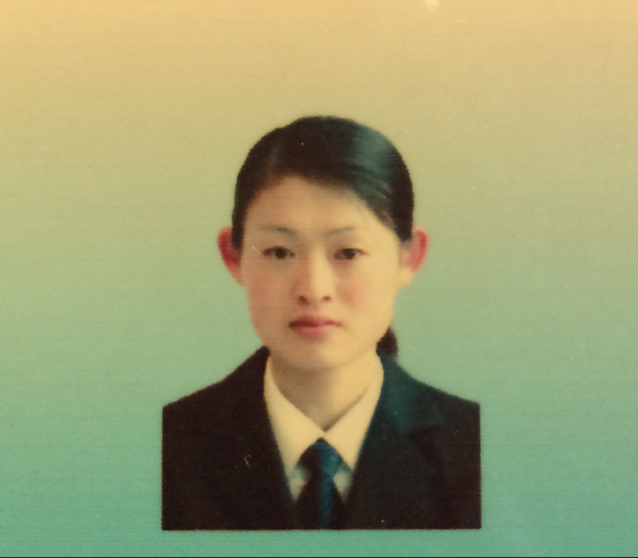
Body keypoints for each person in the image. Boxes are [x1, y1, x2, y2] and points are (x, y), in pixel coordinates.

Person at [162, 116, 481, 531]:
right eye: (279, 252)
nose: (313, 289)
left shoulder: (475, 449)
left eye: (348, 253)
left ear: (410, 257)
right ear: (233, 255)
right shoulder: (167, 446)